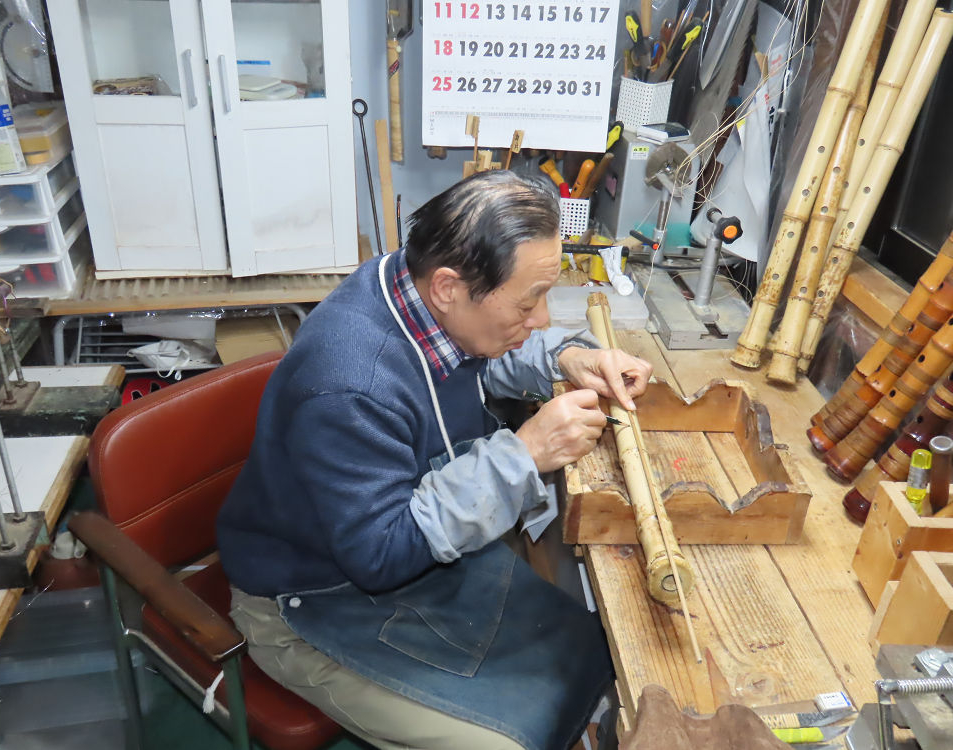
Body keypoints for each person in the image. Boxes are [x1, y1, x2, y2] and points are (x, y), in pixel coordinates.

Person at [217, 170, 653, 750]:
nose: (543, 318)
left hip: (407, 554)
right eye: (530, 301)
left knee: (596, 649)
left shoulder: (412, 288)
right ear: (449, 287)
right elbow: (381, 555)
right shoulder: (349, 386)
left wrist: (567, 356)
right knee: (506, 744)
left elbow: (471, 355)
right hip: (313, 601)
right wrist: (525, 455)